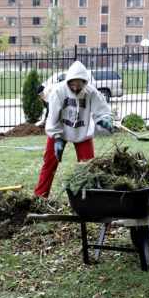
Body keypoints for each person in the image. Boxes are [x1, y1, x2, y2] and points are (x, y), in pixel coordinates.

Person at [34, 61, 115, 198]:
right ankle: (40, 196)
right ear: (68, 82)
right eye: (72, 85)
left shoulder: (91, 92)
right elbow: (52, 118)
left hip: (82, 131)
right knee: (49, 163)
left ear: (84, 83)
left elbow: (102, 111)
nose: (75, 88)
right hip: (60, 129)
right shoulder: (58, 91)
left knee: (88, 167)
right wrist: (57, 138)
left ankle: (90, 198)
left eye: (79, 85)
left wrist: (104, 119)